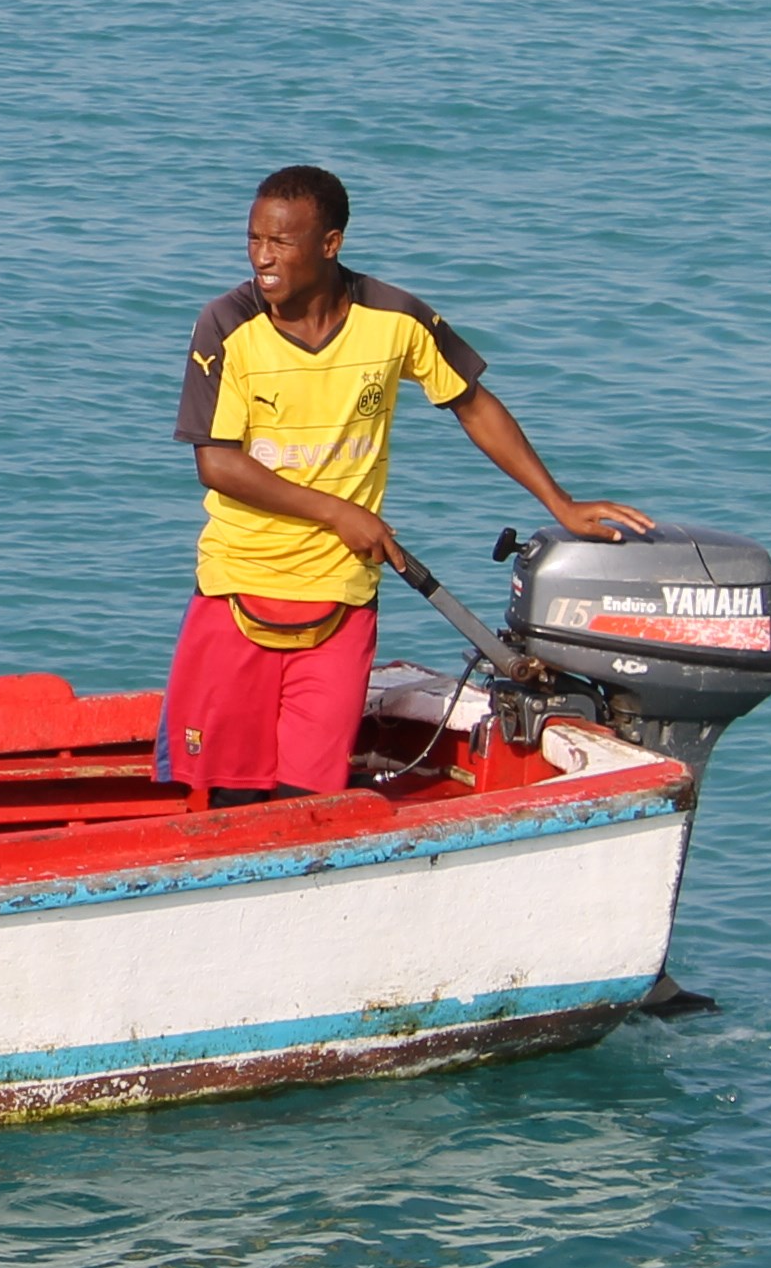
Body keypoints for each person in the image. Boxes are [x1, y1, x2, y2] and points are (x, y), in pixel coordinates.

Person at [169, 163, 652, 807]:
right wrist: (339, 512)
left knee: (307, 799)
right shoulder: (226, 325)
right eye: (254, 239)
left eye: (280, 242)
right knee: (230, 796)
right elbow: (218, 463)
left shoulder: (394, 318)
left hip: (341, 599)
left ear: (330, 243)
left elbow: (472, 404)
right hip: (237, 590)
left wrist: (559, 503)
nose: (262, 257)